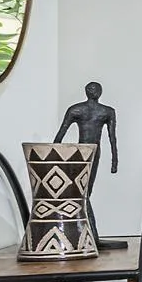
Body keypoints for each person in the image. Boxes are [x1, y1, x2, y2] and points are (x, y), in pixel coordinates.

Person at [54, 81, 126, 250]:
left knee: (84, 193)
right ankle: (91, 236)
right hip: (84, 153)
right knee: (83, 194)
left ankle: (89, 236)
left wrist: (115, 161)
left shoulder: (98, 111)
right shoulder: (88, 110)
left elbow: (112, 138)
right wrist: (54, 156)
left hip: (88, 152)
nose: (93, 91)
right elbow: (60, 134)